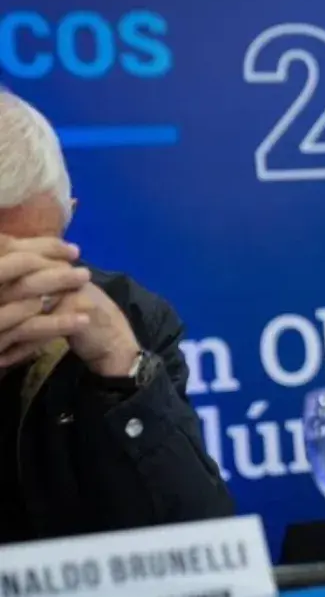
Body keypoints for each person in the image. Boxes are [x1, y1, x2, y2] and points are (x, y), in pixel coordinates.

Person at [0, 89, 234, 544]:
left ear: (69, 219)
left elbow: (205, 551)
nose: (22, 287)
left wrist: (123, 371)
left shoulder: (130, 317)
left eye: (43, 259)